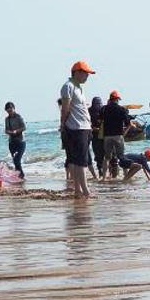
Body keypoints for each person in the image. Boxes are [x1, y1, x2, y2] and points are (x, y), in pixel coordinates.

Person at [59, 60, 95, 198]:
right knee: (80, 161)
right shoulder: (68, 86)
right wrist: (63, 125)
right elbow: (65, 108)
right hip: (76, 128)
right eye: (86, 73)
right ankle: (84, 191)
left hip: (84, 127)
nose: (87, 76)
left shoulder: (78, 87)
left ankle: (78, 190)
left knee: (77, 160)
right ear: (77, 72)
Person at [101, 90, 131, 179]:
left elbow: (99, 120)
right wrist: (124, 133)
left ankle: (103, 177)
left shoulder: (104, 108)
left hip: (107, 136)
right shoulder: (122, 109)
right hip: (118, 135)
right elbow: (128, 123)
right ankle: (126, 175)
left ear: (110, 99)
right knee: (122, 156)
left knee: (106, 157)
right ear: (117, 99)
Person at [4, 102, 26, 179]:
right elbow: (6, 130)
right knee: (15, 160)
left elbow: (24, 127)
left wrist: (16, 131)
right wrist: (9, 132)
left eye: (11, 108)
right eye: (8, 109)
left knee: (17, 159)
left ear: (14, 108)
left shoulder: (18, 117)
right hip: (11, 142)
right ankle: (18, 176)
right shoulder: (7, 119)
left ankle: (21, 175)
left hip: (20, 141)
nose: (9, 110)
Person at [88, 96, 106, 176]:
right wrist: (92, 128)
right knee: (98, 154)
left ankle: (105, 172)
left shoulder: (104, 110)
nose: (99, 105)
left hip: (104, 135)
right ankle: (100, 170)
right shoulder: (89, 111)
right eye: (98, 103)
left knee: (106, 154)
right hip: (94, 136)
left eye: (100, 103)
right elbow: (86, 122)